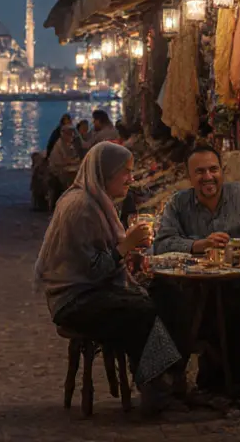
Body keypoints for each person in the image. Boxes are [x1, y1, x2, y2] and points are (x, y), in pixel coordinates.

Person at [34, 143, 180, 414]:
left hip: (90, 291)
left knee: (166, 292)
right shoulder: (82, 208)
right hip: (73, 300)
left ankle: (169, 377)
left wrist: (128, 255)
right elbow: (92, 270)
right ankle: (155, 388)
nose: (131, 178)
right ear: (105, 173)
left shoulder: (97, 203)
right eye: (125, 172)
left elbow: (104, 258)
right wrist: (125, 248)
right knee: (142, 310)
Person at [150, 143, 240, 394]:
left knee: (235, 304)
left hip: (238, 281)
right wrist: (200, 244)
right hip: (193, 285)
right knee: (165, 298)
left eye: (213, 169)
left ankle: (232, 381)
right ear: (189, 177)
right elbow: (162, 244)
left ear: (222, 171)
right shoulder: (178, 204)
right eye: (199, 172)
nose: (208, 177)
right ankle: (169, 375)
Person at [45, 124, 82, 205]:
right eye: (69, 134)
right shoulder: (59, 145)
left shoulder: (69, 144)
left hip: (67, 167)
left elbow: (74, 156)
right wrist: (72, 162)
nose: (71, 136)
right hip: (58, 170)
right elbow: (61, 161)